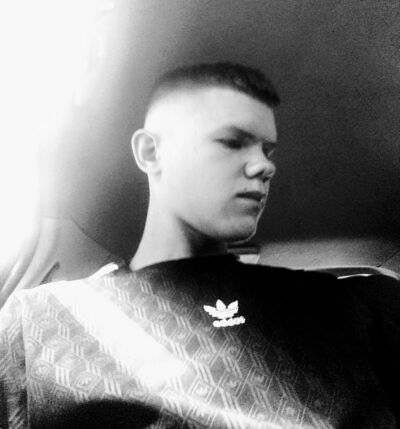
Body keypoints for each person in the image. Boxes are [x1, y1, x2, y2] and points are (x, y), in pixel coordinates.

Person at [0, 62, 399, 429]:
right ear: (150, 152)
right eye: (231, 142)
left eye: (267, 150)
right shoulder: (38, 323)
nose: (265, 165)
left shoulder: (351, 307)